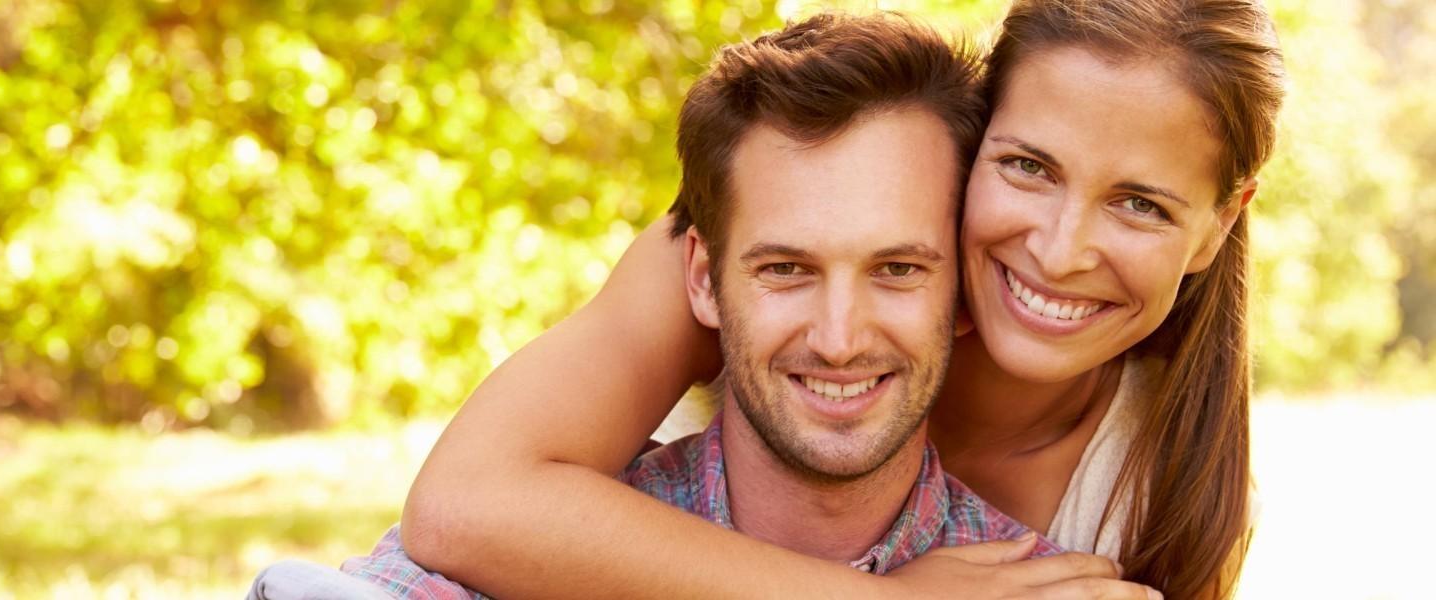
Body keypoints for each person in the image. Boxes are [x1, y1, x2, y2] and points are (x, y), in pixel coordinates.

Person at [399, 1, 1285, 599]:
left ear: (1217, 223)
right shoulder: (781, 254)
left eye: (1141, 204)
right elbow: (467, 503)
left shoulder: (1171, 477)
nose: (1059, 251)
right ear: (978, 141)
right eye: (1028, 166)